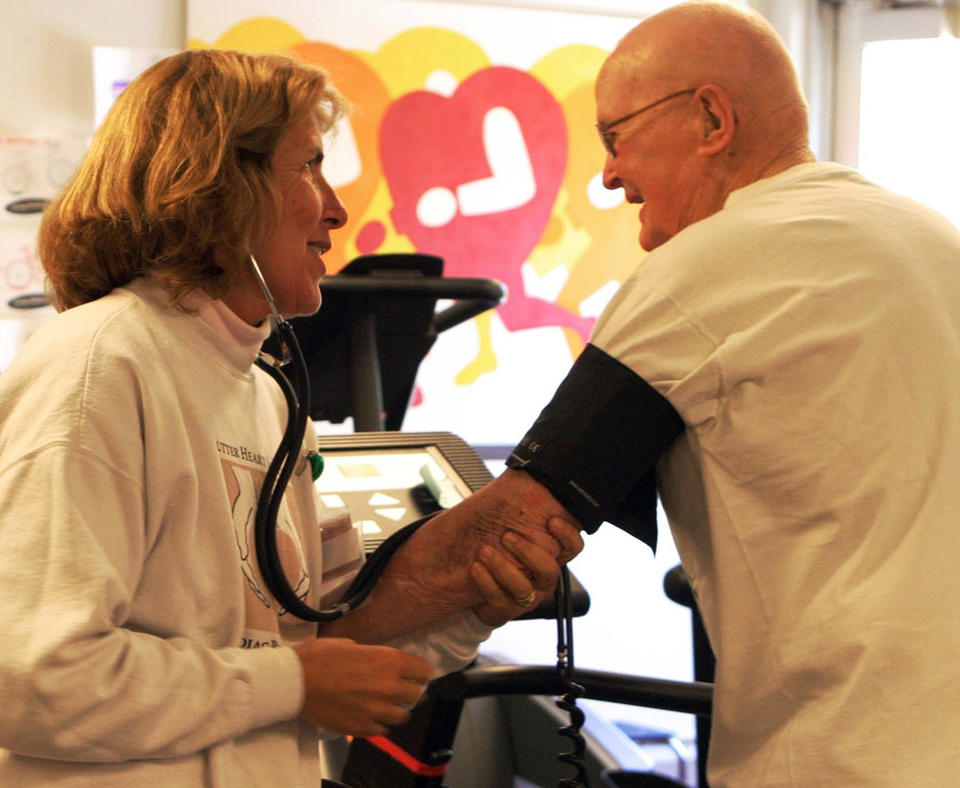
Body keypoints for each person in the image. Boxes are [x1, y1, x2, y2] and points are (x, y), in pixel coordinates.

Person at [371, 2, 960, 785]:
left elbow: (517, 527)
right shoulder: (929, 236)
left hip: (843, 753)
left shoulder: (710, 264)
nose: (608, 174)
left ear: (712, 117)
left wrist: (309, 648)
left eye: (616, 138)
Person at [0, 49, 583, 786]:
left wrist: (471, 603)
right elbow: (32, 676)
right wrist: (295, 683)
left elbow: (310, 647)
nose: (336, 210)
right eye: (308, 166)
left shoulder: (267, 396)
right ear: (216, 189)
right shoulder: (99, 364)